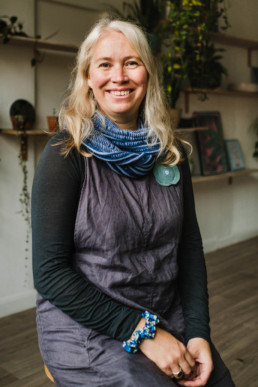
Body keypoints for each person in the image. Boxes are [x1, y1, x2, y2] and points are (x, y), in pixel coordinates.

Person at [32, 18, 235, 387]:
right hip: (88, 328)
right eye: (105, 64)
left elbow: (188, 250)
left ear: (148, 74)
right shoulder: (66, 154)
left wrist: (198, 333)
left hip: (163, 315)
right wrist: (143, 333)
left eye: (132, 62)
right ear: (88, 77)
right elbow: (49, 274)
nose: (119, 76)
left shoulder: (170, 153)